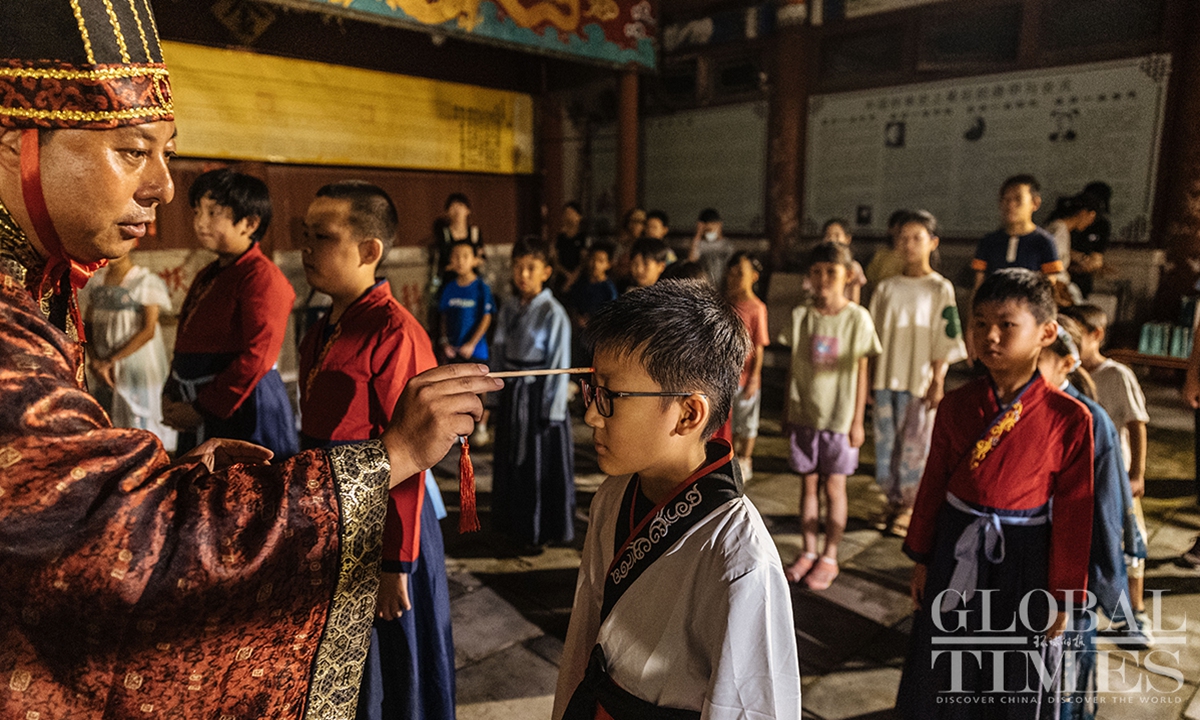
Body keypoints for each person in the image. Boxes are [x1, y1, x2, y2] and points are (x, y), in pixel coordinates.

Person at [0, 4, 499, 716]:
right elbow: (117, 543)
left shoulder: (373, 322)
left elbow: (258, 366)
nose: (164, 188)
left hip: (364, 508)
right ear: (14, 143)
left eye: (165, 154)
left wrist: (396, 553)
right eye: (133, 151)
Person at [553, 280, 801, 720]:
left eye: (610, 397)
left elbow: (749, 707)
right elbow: (584, 637)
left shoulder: (740, 559)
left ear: (688, 413)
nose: (591, 415)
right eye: (593, 390)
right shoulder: (614, 496)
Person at [896, 269, 1094, 718]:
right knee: (946, 660)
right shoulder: (957, 404)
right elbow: (933, 483)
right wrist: (922, 557)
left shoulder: (1069, 418)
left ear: (1046, 333)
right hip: (956, 546)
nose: (990, 336)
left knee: (1013, 667)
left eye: (1007, 325)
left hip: (1026, 555)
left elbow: (1075, 511)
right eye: (981, 323)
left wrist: (1064, 593)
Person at [297, 181, 456, 720]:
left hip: (386, 524)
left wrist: (396, 563)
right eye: (305, 234)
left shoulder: (395, 333)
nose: (307, 248)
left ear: (369, 250)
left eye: (323, 237)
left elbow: (413, 455)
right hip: (333, 515)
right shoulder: (322, 328)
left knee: (393, 663)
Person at [1036, 316, 1143, 720]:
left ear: (1065, 361)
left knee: (1063, 674)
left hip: (1070, 571)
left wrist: (1104, 583)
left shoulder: (1089, 419)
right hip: (1028, 564)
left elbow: (1106, 515)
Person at [161, 168, 298, 458]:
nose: (200, 222)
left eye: (213, 213)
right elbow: (186, 341)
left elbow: (258, 355)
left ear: (249, 223)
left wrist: (202, 409)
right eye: (197, 212)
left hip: (242, 405)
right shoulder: (208, 274)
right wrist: (170, 392)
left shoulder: (262, 277)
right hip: (198, 402)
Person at [779, 241, 881, 590]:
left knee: (835, 488)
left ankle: (830, 555)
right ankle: (808, 550)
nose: (823, 278)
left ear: (847, 275)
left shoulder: (857, 318)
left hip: (840, 419)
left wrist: (857, 421)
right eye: (817, 271)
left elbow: (862, 371)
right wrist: (787, 410)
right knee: (807, 485)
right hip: (805, 415)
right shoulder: (801, 316)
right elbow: (793, 367)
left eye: (831, 272)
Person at [867, 211, 965, 537]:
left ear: (932, 243)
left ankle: (910, 507)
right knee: (887, 444)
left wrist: (938, 380)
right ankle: (892, 500)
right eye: (903, 238)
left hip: (919, 381)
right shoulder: (886, 288)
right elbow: (872, 339)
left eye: (917, 238)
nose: (909, 244)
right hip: (886, 378)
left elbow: (944, 338)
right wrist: (869, 381)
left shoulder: (940, 288)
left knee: (916, 446)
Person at [1062, 303, 1155, 647]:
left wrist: (1137, 473)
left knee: (1129, 544)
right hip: (1083, 479)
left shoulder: (1117, 374)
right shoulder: (1067, 375)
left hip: (1117, 479)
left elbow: (1137, 423)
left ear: (1096, 335)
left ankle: (1136, 614)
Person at [491, 236, 575, 548]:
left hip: (539, 396)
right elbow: (498, 351)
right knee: (510, 461)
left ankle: (539, 529)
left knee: (537, 464)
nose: (523, 274)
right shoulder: (509, 307)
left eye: (531, 268)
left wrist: (551, 411)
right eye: (518, 267)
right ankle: (510, 523)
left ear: (546, 271)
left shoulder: (553, 312)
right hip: (513, 392)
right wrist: (494, 394)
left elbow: (558, 365)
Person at [78, 249, 177, 451]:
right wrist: (96, 361)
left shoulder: (144, 281)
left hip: (136, 360)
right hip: (103, 361)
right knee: (109, 413)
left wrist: (111, 361)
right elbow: (87, 325)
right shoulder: (96, 282)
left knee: (139, 411)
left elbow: (148, 330)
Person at [968, 175, 1062, 361]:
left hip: (1024, 323)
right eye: (1005, 199)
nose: (1010, 205)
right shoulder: (989, 241)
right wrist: (971, 329)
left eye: (1018, 199)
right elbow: (978, 287)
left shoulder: (1043, 242)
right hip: (992, 319)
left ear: (1035, 203)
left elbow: (1048, 289)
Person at [724, 251, 769, 480]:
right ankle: (729, 458)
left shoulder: (756, 308)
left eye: (739, 273)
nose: (733, 278)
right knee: (728, 420)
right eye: (731, 273)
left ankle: (745, 459)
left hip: (746, 377)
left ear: (754, 276)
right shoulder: (726, 304)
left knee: (748, 421)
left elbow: (758, 346)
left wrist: (754, 377)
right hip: (726, 377)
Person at [439, 239, 495, 365]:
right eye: (456, 256)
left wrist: (471, 344)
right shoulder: (448, 288)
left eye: (465, 256)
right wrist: (445, 342)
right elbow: (444, 317)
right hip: (454, 352)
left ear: (475, 260)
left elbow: (486, 317)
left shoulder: (482, 287)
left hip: (476, 353)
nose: (460, 261)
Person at [567, 240, 618, 365]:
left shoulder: (609, 289)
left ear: (608, 264)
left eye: (601, 261)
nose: (595, 264)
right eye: (593, 259)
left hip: (597, 339)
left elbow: (611, 316)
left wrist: (592, 323)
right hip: (578, 336)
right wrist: (576, 318)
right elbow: (572, 303)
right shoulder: (581, 283)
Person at [1045, 193, 1100, 304]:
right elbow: (1051, 265)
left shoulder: (1062, 230)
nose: (1090, 223)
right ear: (1083, 213)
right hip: (1056, 287)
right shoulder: (1059, 230)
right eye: (1091, 217)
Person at [1069, 182, 1112, 298]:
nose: (1091, 219)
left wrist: (1087, 264)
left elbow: (1096, 259)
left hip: (1082, 280)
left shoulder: (1102, 225)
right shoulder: (1063, 223)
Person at [821, 218, 868, 304]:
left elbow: (855, 299)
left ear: (848, 239)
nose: (832, 239)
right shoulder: (818, 265)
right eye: (828, 235)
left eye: (837, 235)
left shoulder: (854, 267)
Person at [687, 207, 734, 288]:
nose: (709, 232)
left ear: (719, 225)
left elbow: (731, 268)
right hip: (704, 286)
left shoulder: (726, 245)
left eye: (711, 229)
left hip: (722, 285)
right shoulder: (699, 245)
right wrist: (698, 234)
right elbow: (691, 261)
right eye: (706, 230)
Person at [865, 209, 910, 287]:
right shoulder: (880, 255)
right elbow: (869, 281)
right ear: (891, 229)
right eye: (900, 225)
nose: (902, 230)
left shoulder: (911, 257)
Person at [554, 201, 590, 293]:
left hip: (579, 277)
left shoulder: (583, 237)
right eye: (566, 213)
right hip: (562, 276)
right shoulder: (560, 237)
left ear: (579, 216)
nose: (568, 216)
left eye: (571, 213)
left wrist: (572, 278)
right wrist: (567, 275)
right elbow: (556, 259)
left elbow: (583, 261)